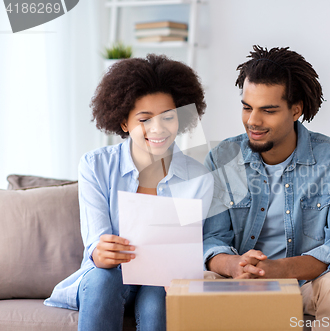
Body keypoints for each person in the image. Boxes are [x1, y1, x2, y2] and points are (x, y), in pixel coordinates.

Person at [203, 46, 330, 330]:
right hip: (240, 282)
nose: (253, 121)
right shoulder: (222, 158)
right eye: (247, 107)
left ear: (296, 110)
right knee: (200, 283)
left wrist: (277, 270)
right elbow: (211, 238)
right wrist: (236, 266)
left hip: (306, 285)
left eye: (268, 110)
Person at [44, 54, 214, 331]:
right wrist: (102, 252)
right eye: (144, 119)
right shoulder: (95, 165)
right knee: (103, 278)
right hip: (108, 278)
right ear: (124, 123)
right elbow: (95, 244)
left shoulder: (200, 178)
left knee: (158, 298)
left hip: (160, 282)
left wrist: (184, 272)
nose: (157, 128)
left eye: (168, 117)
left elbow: (195, 247)